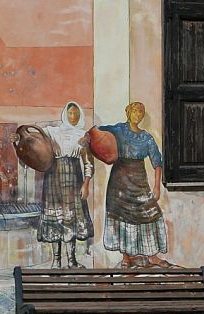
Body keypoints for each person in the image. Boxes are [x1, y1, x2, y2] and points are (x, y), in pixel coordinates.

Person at [98, 102, 170, 268]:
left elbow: (157, 162)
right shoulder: (118, 130)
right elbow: (99, 133)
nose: (138, 114)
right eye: (135, 111)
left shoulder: (146, 138)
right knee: (122, 216)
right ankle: (126, 257)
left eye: (141, 112)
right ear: (128, 112)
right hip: (119, 182)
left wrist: (157, 187)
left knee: (150, 214)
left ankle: (152, 256)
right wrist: (89, 138)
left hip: (139, 180)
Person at [37, 102, 94, 268]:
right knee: (55, 218)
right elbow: (34, 138)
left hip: (73, 179)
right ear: (65, 114)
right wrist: (18, 140)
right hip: (53, 179)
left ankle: (71, 260)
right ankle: (56, 261)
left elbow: (88, 163)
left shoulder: (83, 135)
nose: (73, 117)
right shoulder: (52, 131)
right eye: (70, 113)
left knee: (71, 219)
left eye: (76, 114)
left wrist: (86, 183)